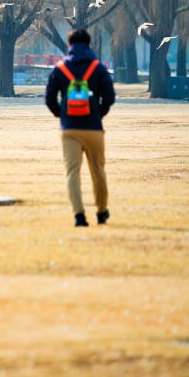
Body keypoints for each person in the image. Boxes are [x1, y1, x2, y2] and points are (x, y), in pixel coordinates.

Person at [45, 28, 115, 227]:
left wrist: (62, 115)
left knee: (72, 173)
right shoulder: (98, 68)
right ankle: (101, 212)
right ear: (89, 45)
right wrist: (98, 113)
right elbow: (110, 97)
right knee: (98, 170)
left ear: (69, 46)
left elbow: (49, 98)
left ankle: (79, 215)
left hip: (69, 130)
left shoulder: (60, 69)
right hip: (93, 128)